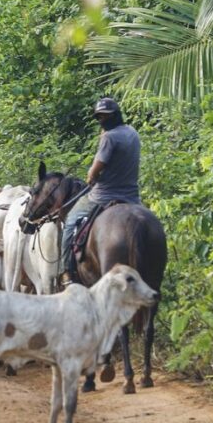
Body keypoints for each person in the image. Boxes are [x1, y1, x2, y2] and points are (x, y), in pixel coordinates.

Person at [60, 97, 141, 286]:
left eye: (104, 117)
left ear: (112, 117)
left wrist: (90, 177)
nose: (102, 121)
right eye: (100, 117)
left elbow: (93, 173)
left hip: (103, 196)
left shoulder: (109, 137)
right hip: (132, 197)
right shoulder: (132, 132)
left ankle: (66, 272)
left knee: (70, 222)